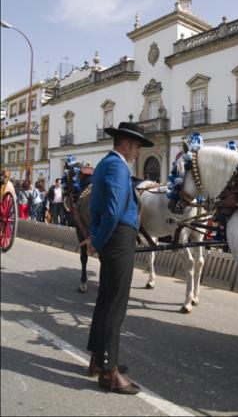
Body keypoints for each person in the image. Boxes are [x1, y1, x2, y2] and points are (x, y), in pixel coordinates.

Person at [81, 121, 153, 395]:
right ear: (125, 144)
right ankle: (109, 372)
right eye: (136, 147)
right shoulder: (116, 166)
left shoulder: (109, 164)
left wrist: (95, 238)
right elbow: (111, 210)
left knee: (105, 301)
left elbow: (102, 210)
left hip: (114, 236)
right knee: (115, 305)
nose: (136, 153)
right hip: (119, 238)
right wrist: (97, 241)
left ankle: (98, 360)